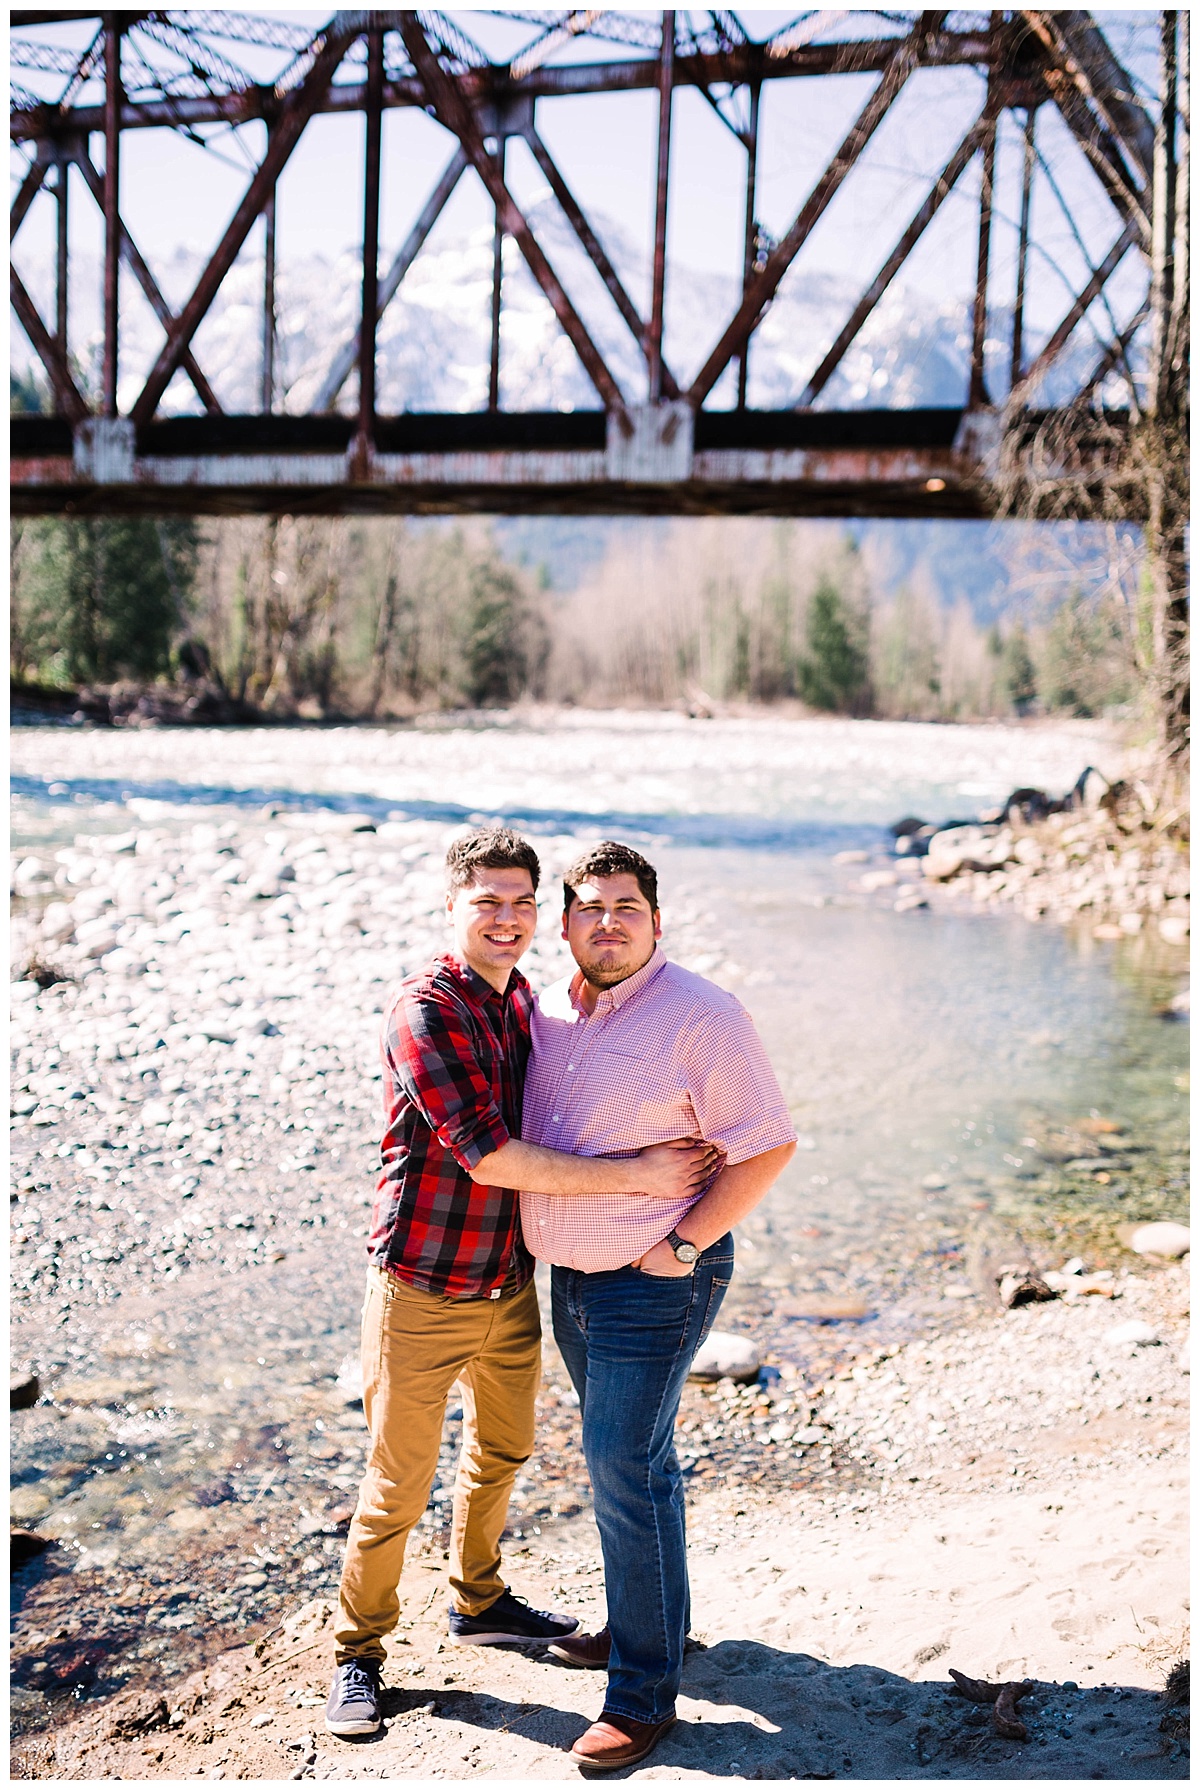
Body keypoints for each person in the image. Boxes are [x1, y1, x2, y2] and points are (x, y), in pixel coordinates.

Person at [326, 827, 715, 1739]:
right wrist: (646, 1175)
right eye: (486, 902)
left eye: (520, 902)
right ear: (450, 908)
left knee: (502, 1451)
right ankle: (358, 1654)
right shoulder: (426, 1008)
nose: (506, 919)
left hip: (507, 1283)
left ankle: (479, 1599)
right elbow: (491, 1157)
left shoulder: (523, 1001)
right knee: (396, 1483)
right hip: (423, 1284)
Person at [520, 841, 797, 1772]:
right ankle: (656, 1629)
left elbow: (767, 1146)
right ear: (564, 924)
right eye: (590, 908)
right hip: (573, 1282)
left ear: (657, 921)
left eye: (627, 908)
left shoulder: (704, 1015)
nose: (608, 923)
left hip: (660, 1280)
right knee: (641, 1466)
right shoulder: (550, 1007)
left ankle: (641, 1697)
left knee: (618, 1468)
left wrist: (678, 1246)